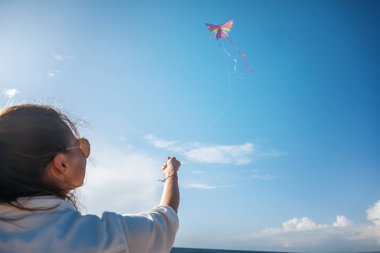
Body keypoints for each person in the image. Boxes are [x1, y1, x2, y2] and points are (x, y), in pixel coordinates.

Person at [0, 104, 180, 253]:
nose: (86, 155)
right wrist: (171, 173)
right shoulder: (104, 239)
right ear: (62, 164)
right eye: (81, 146)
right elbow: (165, 220)